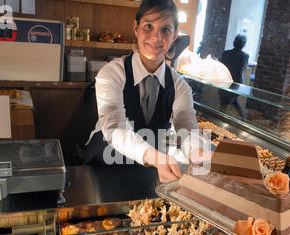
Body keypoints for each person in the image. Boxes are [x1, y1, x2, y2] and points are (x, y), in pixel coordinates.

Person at [84, 0, 210, 183]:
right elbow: (115, 128)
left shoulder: (179, 86)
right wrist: (156, 157)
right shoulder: (112, 73)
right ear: (136, 27)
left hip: (148, 170)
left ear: (175, 35)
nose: (156, 37)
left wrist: (198, 153)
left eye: (166, 29)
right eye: (148, 26)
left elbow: (187, 127)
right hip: (103, 168)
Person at [219, 34, 249, 119]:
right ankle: (243, 118)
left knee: (225, 103)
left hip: (225, 81)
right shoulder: (245, 56)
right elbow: (244, 68)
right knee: (232, 101)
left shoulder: (226, 53)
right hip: (237, 82)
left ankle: (220, 118)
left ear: (234, 42)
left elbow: (222, 65)